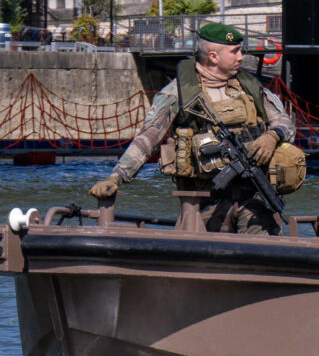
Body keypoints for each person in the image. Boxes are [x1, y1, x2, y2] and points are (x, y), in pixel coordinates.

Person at [89, 21, 305, 231]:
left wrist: (272, 136)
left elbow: (285, 122)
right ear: (213, 57)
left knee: (261, 246)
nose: (241, 57)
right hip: (205, 201)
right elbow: (148, 139)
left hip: (253, 197)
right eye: (235, 51)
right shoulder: (178, 93)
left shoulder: (250, 88)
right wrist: (116, 177)